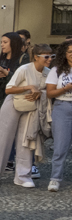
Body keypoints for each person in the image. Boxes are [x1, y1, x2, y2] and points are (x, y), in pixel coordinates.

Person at [0, 44, 52, 187]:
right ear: (36, 57)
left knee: (26, 139)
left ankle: (23, 176)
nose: (49, 59)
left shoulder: (48, 72)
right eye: (46, 56)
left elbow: (48, 91)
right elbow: (9, 89)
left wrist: (40, 93)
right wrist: (28, 87)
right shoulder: (24, 69)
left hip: (32, 107)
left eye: (52, 56)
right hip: (13, 104)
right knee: (3, 138)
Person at [46, 39, 72, 191]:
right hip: (62, 107)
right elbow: (50, 93)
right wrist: (66, 88)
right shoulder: (57, 71)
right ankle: (55, 178)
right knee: (60, 146)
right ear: (64, 54)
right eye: (69, 52)